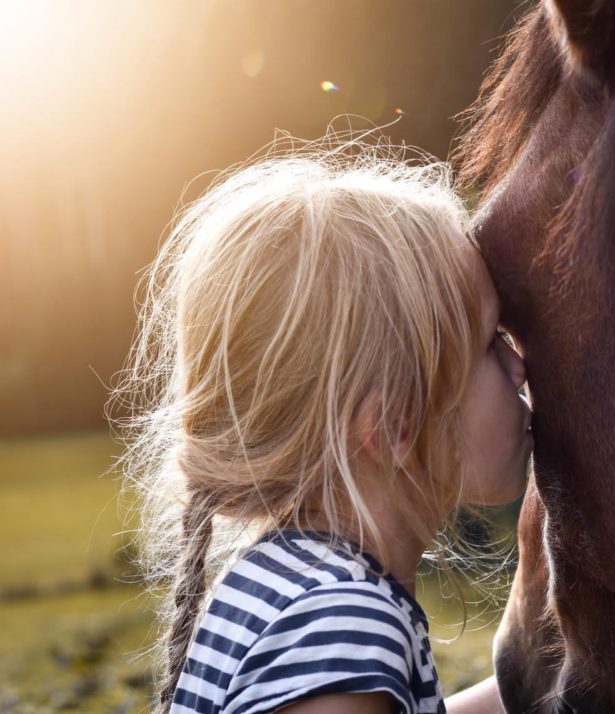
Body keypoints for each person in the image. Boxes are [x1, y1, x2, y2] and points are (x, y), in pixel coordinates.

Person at [115, 143, 532, 714]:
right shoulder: (345, 624)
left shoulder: (284, 582)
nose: (519, 366)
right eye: (490, 343)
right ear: (394, 426)